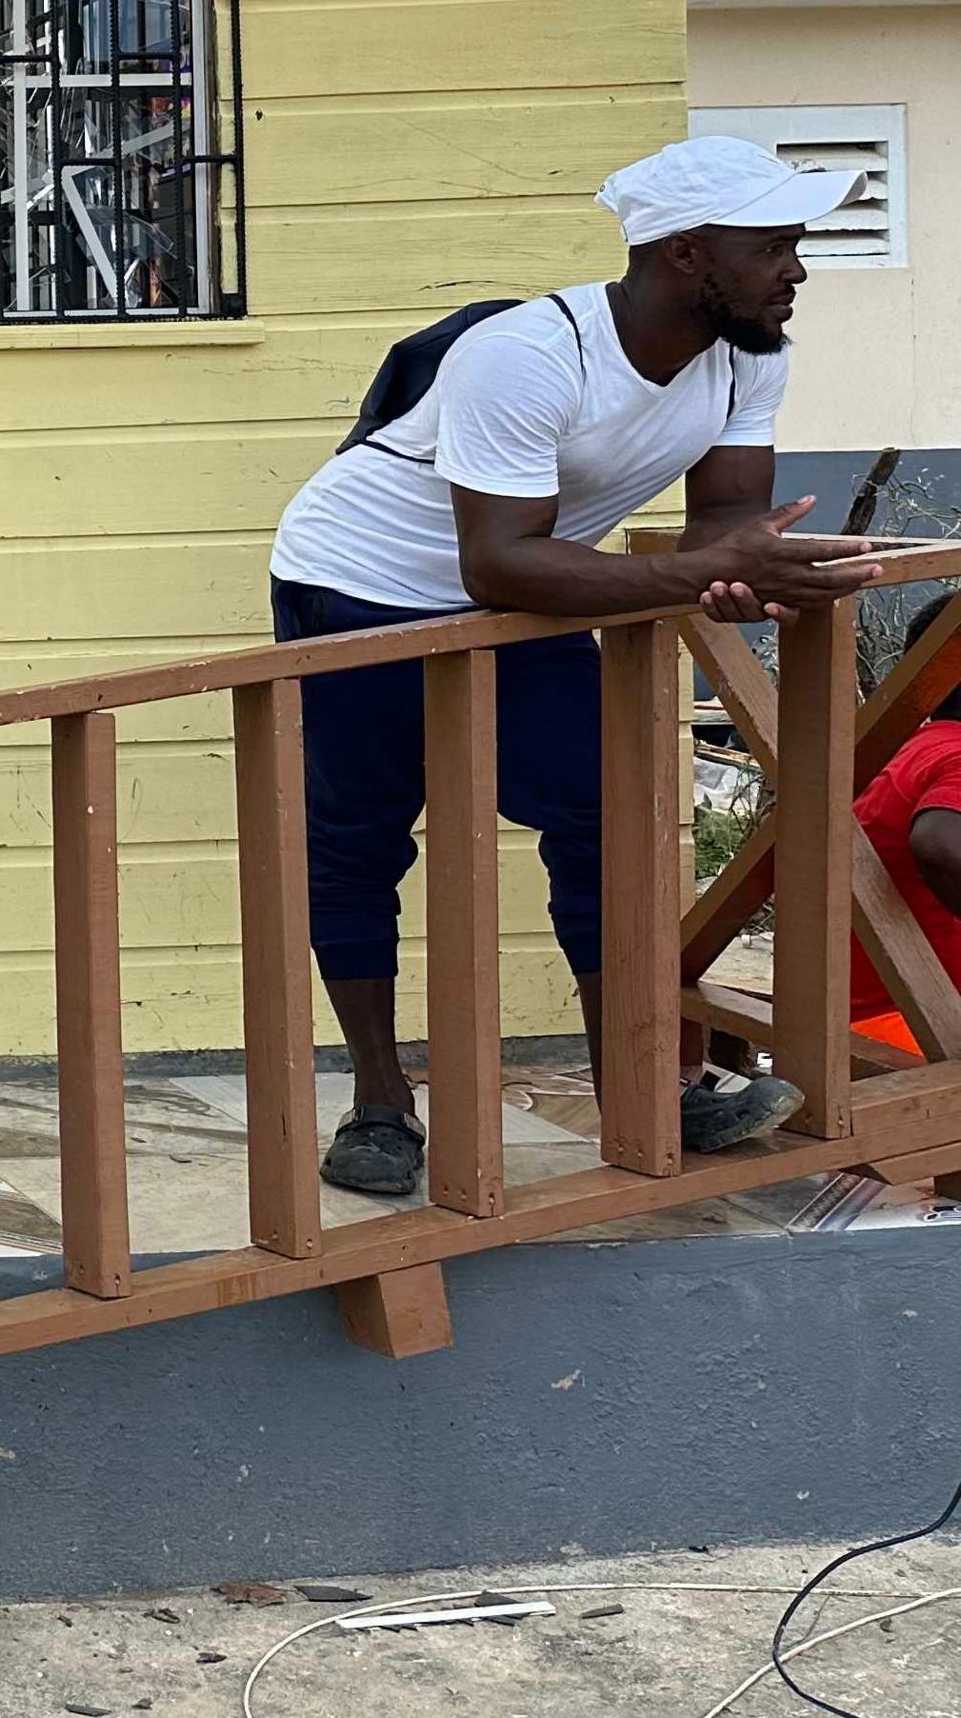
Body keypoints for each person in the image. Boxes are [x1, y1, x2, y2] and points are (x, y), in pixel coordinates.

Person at [263, 135, 880, 1196]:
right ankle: (379, 1105)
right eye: (774, 246)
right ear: (689, 254)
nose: (798, 270)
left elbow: (722, 523)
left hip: (526, 585)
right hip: (360, 581)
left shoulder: (749, 354)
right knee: (359, 838)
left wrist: (745, 569)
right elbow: (498, 560)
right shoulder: (524, 354)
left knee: (608, 810)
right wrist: (705, 572)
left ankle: (639, 1086)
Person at [849, 592, 959, 1060]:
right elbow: (937, 845)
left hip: (861, 1016)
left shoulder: (906, 749)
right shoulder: (956, 757)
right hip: (918, 1029)